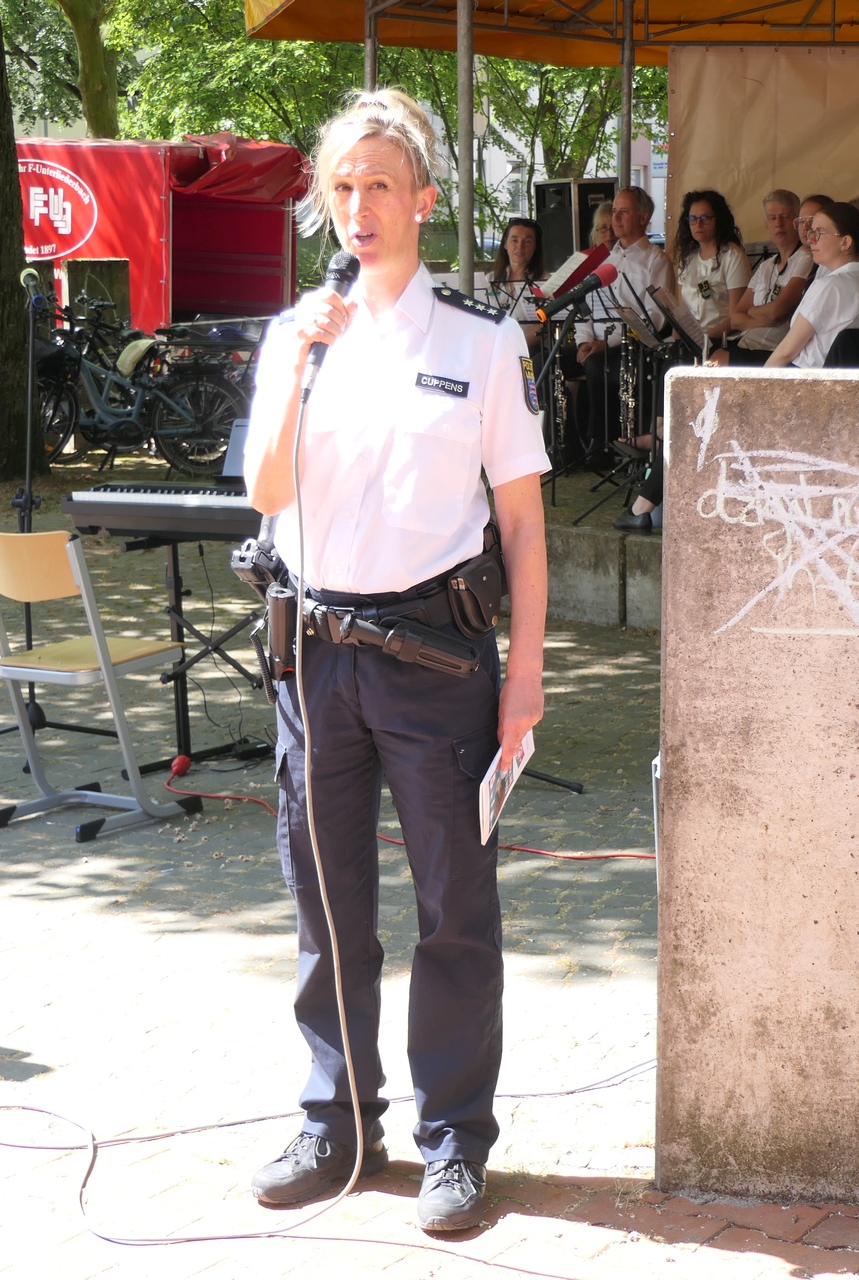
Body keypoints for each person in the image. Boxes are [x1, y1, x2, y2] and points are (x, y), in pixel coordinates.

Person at [240, 86, 550, 1235]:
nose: (360, 206)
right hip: (315, 660)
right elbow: (266, 490)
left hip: (436, 658)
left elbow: (523, 525)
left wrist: (526, 677)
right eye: (342, 186)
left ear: (422, 200)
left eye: (380, 184)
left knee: (453, 907)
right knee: (328, 907)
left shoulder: (482, 342)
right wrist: (299, 364)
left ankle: (454, 1137)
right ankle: (338, 1121)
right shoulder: (296, 334)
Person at [573, 186, 699, 463]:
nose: (616, 218)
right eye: (614, 211)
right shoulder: (606, 259)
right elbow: (587, 306)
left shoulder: (656, 260)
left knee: (597, 364)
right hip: (597, 342)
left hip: (637, 346)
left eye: (624, 211)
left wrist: (606, 343)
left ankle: (603, 443)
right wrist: (583, 341)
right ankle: (578, 444)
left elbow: (655, 317)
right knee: (571, 360)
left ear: (643, 218)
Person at [751, 201, 859, 368]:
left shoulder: (829, 287)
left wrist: (758, 382)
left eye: (820, 233)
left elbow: (785, 353)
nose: (810, 239)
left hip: (806, 378)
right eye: (812, 232)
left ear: (845, 242)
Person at [725, 189, 810, 364]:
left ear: (796, 221)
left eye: (784, 217)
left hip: (773, 352)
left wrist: (752, 312)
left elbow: (776, 312)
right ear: (766, 224)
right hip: (746, 344)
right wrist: (766, 319)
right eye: (772, 218)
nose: (778, 224)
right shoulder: (766, 266)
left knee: (715, 361)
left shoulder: (805, 258)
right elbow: (735, 319)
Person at [672, 189, 751, 345]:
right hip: (692, 342)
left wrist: (704, 339)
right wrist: (677, 341)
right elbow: (682, 313)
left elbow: (735, 318)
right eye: (693, 218)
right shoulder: (687, 259)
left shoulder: (732, 256)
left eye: (705, 218)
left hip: (722, 342)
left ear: (718, 220)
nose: (698, 224)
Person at [486, 217, 544, 346]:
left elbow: (547, 326)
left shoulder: (545, 282)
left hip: (530, 349)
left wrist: (516, 346)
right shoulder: (489, 280)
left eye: (527, 241)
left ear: (535, 247)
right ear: (505, 244)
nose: (520, 246)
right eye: (514, 240)